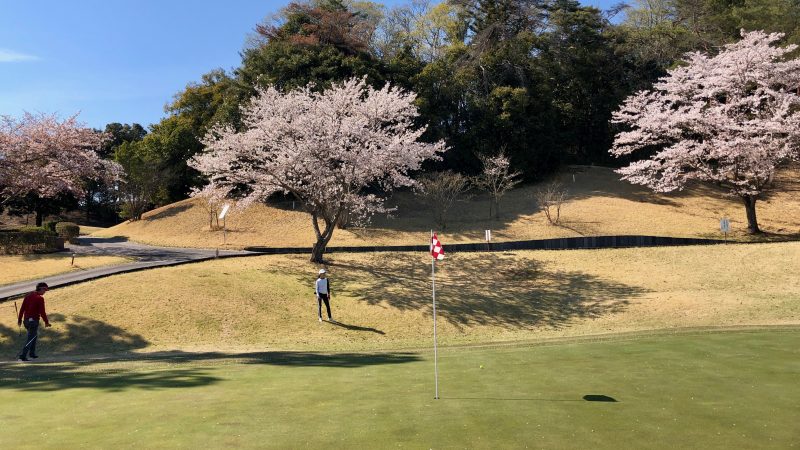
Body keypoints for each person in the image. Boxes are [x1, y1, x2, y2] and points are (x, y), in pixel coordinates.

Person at [17, 282, 51, 362]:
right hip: (33, 321)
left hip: (26, 321)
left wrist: (19, 320)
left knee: (33, 336)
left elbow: (22, 309)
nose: (45, 292)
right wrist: (46, 322)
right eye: (45, 290)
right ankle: (22, 356)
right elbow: (42, 312)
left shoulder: (28, 295)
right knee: (31, 338)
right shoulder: (39, 298)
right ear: (41, 288)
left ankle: (32, 354)